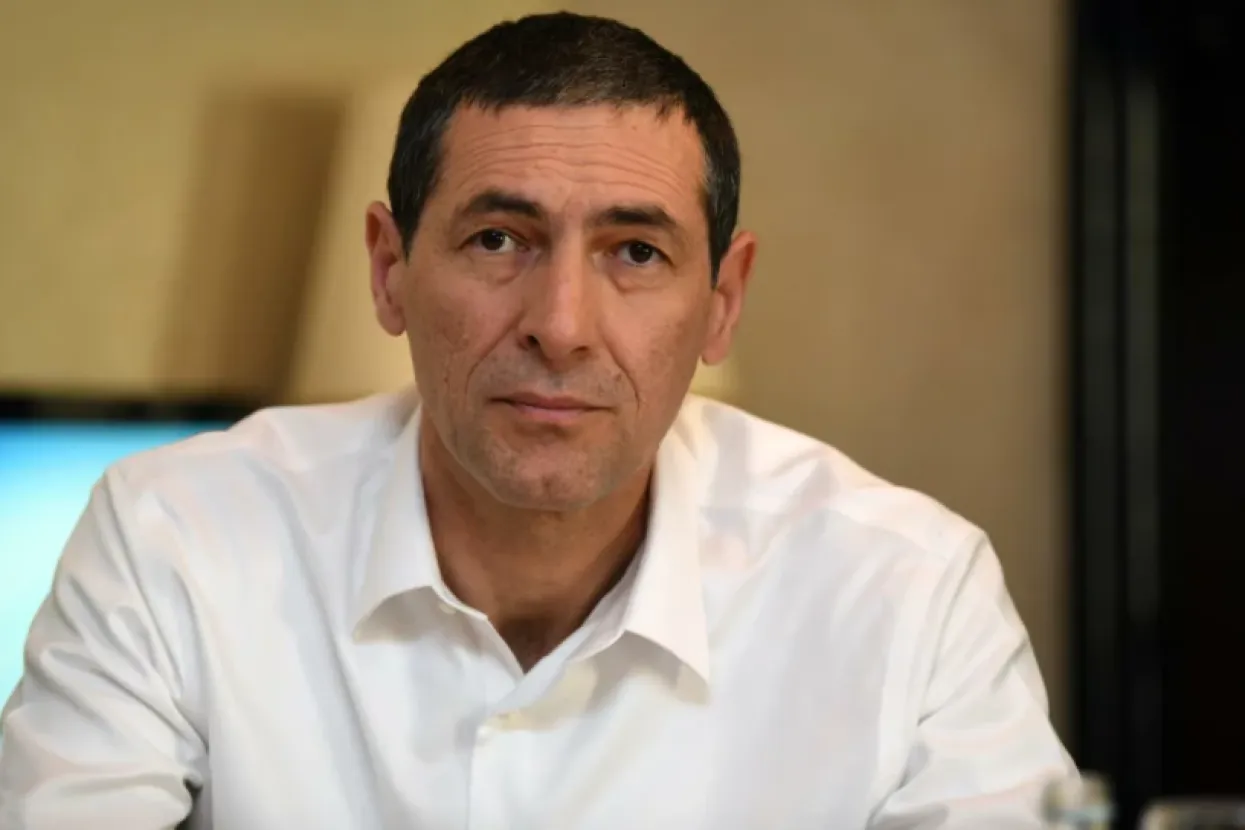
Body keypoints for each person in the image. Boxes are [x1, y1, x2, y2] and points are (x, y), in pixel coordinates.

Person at [0, 11, 1075, 829]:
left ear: (723, 300)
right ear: (388, 269)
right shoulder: (174, 539)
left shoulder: (907, 592)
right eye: (498, 240)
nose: (560, 326)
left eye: (635, 252)